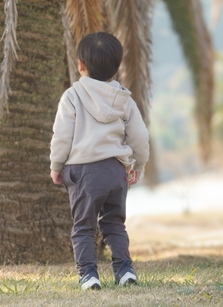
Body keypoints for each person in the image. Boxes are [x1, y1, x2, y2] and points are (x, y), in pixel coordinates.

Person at [49, 32, 150, 291]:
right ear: (116, 68)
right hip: (116, 170)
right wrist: (138, 165)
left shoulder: (72, 96)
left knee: (83, 226)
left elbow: (62, 136)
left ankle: (89, 275)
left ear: (80, 64)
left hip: (83, 172)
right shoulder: (124, 100)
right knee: (114, 222)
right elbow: (139, 136)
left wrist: (56, 165)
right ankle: (125, 270)